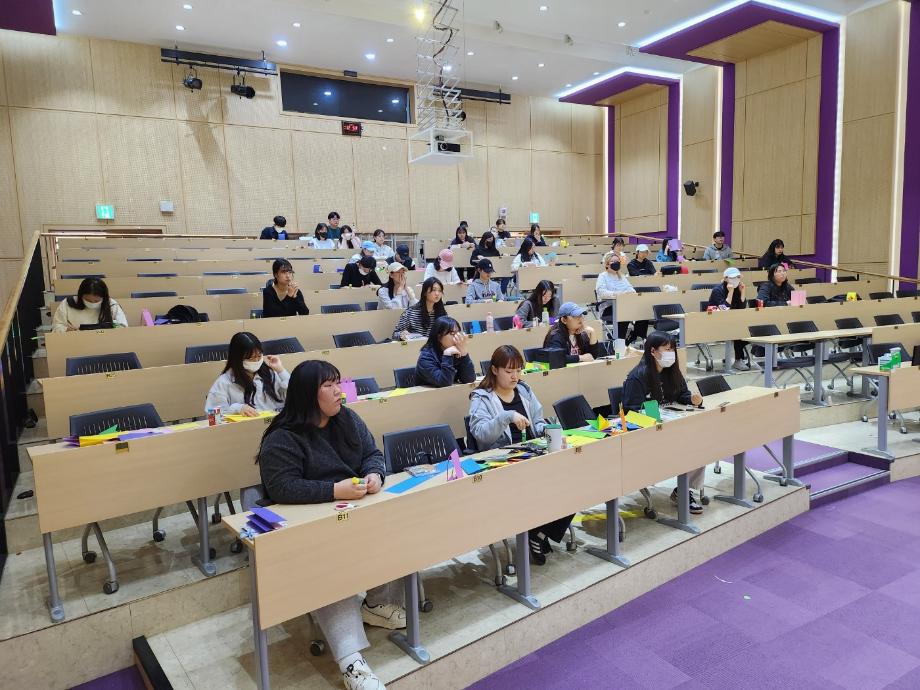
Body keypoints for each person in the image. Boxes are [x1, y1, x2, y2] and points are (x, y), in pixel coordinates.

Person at [258, 359, 403, 690]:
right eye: (329, 385)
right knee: (328, 565)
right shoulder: (283, 438)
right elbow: (281, 488)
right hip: (309, 528)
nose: (339, 391)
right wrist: (334, 490)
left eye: (338, 383)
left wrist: (374, 474)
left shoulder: (347, 419)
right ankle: (352, 664)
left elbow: (372, 453)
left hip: (352, 512)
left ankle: (376, 604)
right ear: (308, 395)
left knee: (396, 525)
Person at [468, 345, 574, 565]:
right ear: (494, 370)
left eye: (518, 370)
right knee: (548, 485)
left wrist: (548, 431)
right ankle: (537, 532)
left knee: (574, 481)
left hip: (532, 455)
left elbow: (537, 421)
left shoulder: (524, 390)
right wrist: (507, 416)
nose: (515, 376)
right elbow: (481, 436)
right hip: (503, 463)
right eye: (509, 371)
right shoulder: (481, 398)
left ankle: (539, 533)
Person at [622, 332, 705, 514]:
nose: (671, 353)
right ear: (653, 351)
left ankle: (683, 490)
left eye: (673, 349)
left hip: (670, 425)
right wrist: (653, 417)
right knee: (689, 445)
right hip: (647, 433)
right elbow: (630, 412)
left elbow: (682, 394)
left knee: (700, 443)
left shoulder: (672, 371)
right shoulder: (637, 377)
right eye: (667, 349)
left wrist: (692, 399)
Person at [205, 332, 288, 416]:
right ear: (238, 359)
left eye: (259, 356)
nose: (256, 361)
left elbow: (292, 397)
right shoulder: (224, 382)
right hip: (249, 424)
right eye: (251, 358)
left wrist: (281, 371)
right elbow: (212, 414)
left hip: (276, 421)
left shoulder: (269, 373)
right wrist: (236, 409)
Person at [595, 251, 648, 346]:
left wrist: (631, 293)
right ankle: (620, 342)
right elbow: (601, 292)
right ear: (607, 264)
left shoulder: (621, 276)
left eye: (618, 261)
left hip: (625, 305)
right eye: (613, 261)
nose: (616, 263)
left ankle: (634, 335)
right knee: (624, 312)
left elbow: (630, 289)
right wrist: (619, 294)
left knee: (643, 312)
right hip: (609, 308)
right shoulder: (602, 276)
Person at [708, 267, 751, 370]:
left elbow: (741, 308)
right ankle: (738, 360)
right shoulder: (717, 290)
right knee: (738, 330)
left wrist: (743, 292)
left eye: (738, 277)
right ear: (726, 278)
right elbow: (724, 309)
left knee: (743, 328)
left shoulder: (738, 289)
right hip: (716, 322)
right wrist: (730, 292)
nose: (736, 280)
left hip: (733, 321)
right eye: (733, 278)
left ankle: (738, 359)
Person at [415, 316, 475, 387]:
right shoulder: (426, 358)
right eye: (452, 334)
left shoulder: (456, 351)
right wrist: (447, 355)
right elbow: (444, 383)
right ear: (439, 337)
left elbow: (469, 379)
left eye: (458, 332)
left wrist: (464, 354)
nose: (457, 337)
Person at [52, 277, 128, 332]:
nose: (92, 303)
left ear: (104, 298)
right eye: (87, 300)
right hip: (75, 342)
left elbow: (123, 327)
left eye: (96, 301)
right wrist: (65, 330)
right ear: (80, 296)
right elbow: (56, 326)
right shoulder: (68, 303)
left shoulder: (111, 304)